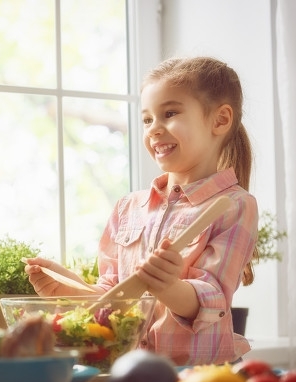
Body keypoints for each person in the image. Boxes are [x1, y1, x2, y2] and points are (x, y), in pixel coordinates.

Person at [25, 56, 258, 366]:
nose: (154, 129)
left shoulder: (235, 205)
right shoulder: (128, 207)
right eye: (147, 119)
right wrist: (70, 290)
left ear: (220, 120)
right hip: (126, 370)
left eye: (170, 113)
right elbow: (116, 299)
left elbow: (212, 299)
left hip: (195, 378)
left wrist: (169, 287)